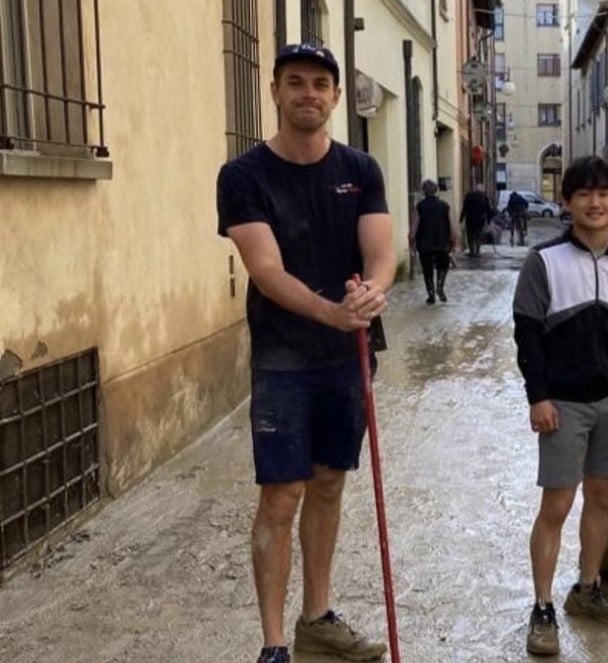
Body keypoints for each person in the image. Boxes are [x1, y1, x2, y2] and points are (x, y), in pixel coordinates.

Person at [216, 43, 393, 663]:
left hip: (347, 357)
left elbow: (380, 250)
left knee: (327, 485)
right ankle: (274, 644)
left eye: (321, 84)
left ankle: (317, 616)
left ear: (337, 96)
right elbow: (265, 270)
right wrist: (333, 313)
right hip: (284, 356)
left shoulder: (361, 169)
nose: (309, 94)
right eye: (296, 83)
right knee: (282, 494)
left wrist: (372, 292)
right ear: (275, 91)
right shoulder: (243, 177)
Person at [512, 156, 608, 657]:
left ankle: (588, 588)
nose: (595, 203)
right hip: (563, 403)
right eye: (584, 193)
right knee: (556, 505)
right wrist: (538, 397)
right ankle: (542, 608)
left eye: (604, 194)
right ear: (567, 201)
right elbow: (528, 337)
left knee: (601, 497)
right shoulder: (544, 262)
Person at [409, 178, 459, 304]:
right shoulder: (445, 206)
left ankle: (431, 294)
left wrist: (412, 241)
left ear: (424, 191)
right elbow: (453, 227)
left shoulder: (419, 206)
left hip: (424, 245)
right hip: (442, 244)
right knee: (443, 266)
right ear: (437, 191)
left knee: (427, 269)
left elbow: (414, 228)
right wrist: (453, 242)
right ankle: (440, 286)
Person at [459, 182, 495, 256]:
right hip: (480, 220)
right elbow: (488, 210)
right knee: (478, 235)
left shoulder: (468, 196)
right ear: (482, 190)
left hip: (469, 219)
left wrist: (461, 219)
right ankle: (477, 251)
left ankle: (472, 251)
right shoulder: (484, 197)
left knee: (470, 235)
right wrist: (489, 221)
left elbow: (464, 208)